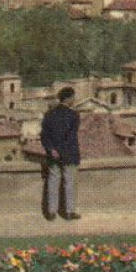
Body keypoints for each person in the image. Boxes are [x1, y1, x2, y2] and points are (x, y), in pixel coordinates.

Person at [39, 86, 82, 220]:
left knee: (53, 182)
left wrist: (52, 150)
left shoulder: (49, 114)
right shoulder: (74, 115)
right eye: (73, 97)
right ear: (69, 98)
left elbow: (44, 135)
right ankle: (69, 212)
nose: (74, 100)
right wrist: (62, 151)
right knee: (69, 183)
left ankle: (51, 212)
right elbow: (71, 137)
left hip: (53, 155)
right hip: (69, 154)